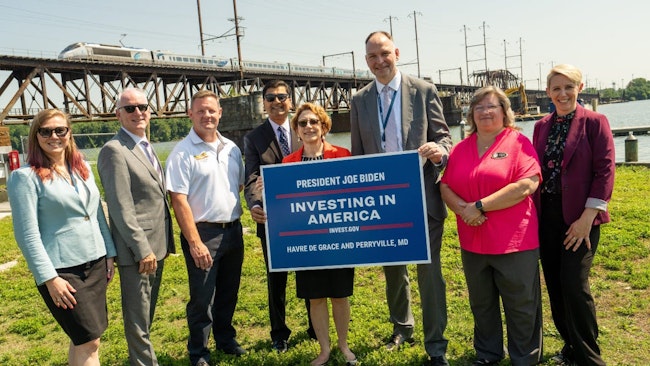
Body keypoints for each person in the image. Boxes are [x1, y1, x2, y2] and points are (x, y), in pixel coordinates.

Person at [350, 31, 453, 366]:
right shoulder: (359, 100)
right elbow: (358, 154)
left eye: (384, 54)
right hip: (382, 203)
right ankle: (402, 327)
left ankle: (436, 345)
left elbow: (444, 138)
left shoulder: (424, 91)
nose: (379, 62)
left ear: (396, 52)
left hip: (422, 196)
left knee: (429, 273)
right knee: (394, 271)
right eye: (372, 57)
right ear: (366, 61)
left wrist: (440, 153)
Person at [440, 86, 543, 365]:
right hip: (473, 241)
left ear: (504, 112)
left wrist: (480, 206)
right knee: (482, 304)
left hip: (514, 241)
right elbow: (445, 185)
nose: (485, 112)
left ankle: (525, 357)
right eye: (479, 107)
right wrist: (463, 210)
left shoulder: (518, 142)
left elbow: (526, 184)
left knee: (521, 304)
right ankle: (487, 354)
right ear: (472, 114)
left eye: (492, 107)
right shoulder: (461, 148)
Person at [8, 109, 117, 366]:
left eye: (60, 130)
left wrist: (109, 253)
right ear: (36, 136)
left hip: (95, 262)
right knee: (89, 341)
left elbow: (96, 213)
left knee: (85, 339)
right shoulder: (25, 178)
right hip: (62, 271)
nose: (53, 136)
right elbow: (27, 234)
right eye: (45, 131)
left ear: (69, 133)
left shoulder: (82, 168)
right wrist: (49, 278)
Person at [258, 103, 356, 366]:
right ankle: (324, 350)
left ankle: (343, 346)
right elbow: (282, 204)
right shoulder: (287, 163)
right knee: (316, 297)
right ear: (297, 131)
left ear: (324, 127)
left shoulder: (343, 155)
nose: (309, 127)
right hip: (306, 241)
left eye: (314, 122)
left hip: (338, 239)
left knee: (339, 295)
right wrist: (264, 191)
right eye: (302, 123)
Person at [533, 64, 615, 366]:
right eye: (556, 88)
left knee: (574, 284)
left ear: (580, 88)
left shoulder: (595, 122)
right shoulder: (541, 126)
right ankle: (570, 346)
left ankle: (590, 357)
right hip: (548, 217)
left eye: (569, 86)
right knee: (554, 284)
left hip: (582, 216)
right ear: (548, 93)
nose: (563, 93)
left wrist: (587, 218)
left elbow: (605, 170)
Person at [166, 90, 246, 366]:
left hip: (233, 230)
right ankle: (198, 352)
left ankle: (226, 340)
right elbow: (178, 199)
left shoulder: (232, 149)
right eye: (200, 111)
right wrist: (195, 242)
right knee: (202, 298)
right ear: (190, 114)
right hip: (204, 234)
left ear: (220, 113)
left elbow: (238, 186)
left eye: (212, 110)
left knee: (228, 292)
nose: (207, 115)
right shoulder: (182, 153)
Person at [98, 87, 175, 366]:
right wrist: (142, 249)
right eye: (130, 108)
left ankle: (137, 361)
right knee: (137, 316)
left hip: (157, 245)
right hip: (138, 251)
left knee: (146, 313)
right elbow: (120, 207)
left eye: (143, 106)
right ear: (118, 114)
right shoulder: (114, 151)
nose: (138, 112)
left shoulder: (144, 144)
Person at [243, 79, 314, 352]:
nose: (277, 101)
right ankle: (279, 334)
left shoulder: (305, 129)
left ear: (290, 101)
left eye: (282, 96)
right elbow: (251, 178)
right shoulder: (254, 138)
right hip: (273, 220)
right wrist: (255, 205)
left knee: (310, 274)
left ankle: (314, 326)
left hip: (307, 218)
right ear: (264, 104)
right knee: (277, 278)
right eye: (270, 97)